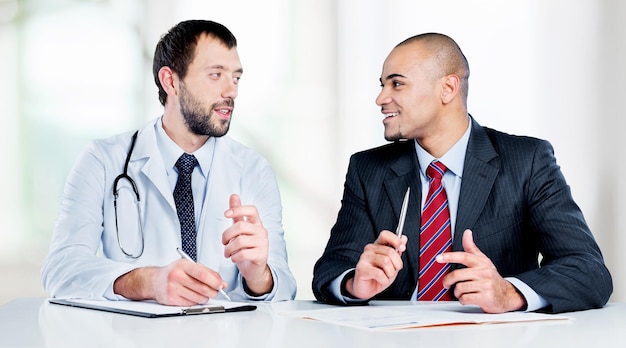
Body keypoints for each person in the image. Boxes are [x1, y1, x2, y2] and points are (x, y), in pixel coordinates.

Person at [312, 33, 612, 314]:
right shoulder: (368, 170)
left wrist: (508, 293)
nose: (381, 99)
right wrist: (355, 284)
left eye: (397, 84)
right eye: (382, 85)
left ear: (448, 88)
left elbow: (589, 271)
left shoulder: (527, 161)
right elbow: (330, 270)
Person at [41, 19, 296, 305]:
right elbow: (61, 271)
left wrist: (258, 275)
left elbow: (285, 287)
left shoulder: (253, 169)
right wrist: (147, 281)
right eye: (216, 75)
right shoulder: (102, 160)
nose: (231, 91)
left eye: (236, 78)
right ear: (171, 81)